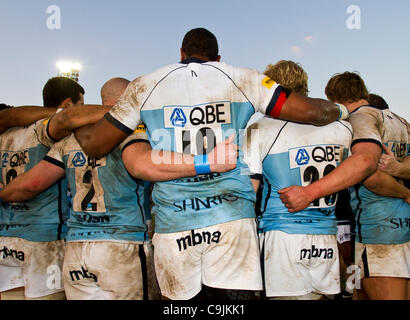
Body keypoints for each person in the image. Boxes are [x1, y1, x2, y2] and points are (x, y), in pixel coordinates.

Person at [72, 28, 349, 300]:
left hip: (174, 221)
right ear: (218, 58)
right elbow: (314, 111)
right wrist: (344, 110)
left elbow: (95, 144)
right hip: (231, 219)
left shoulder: (145, 86)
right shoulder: (244, 78)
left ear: (181, 54)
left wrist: (71, 119)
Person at [0, 77, 238, 300]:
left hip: (76, 247)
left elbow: (31, 184)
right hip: (122, 243)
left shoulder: (69, 139)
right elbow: (146, 166)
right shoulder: (136, 130)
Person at [279, 72, 409, 300]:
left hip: (378, 232)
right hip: (402, 227)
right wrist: (400, 174)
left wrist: (405, 192)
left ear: (335, 99)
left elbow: (369, 172)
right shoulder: (400, 121)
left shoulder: (360, 119)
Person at [242, 60, 353, 300]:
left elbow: (248, 191)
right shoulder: (343, 129)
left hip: (281, 236)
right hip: (326, 236)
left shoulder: (258, 128)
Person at [0, 77, 85, 300]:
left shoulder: (3, 136)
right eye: (81, 105)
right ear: (67, 104)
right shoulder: (43, 131)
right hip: (44, 237)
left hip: (6, 236)